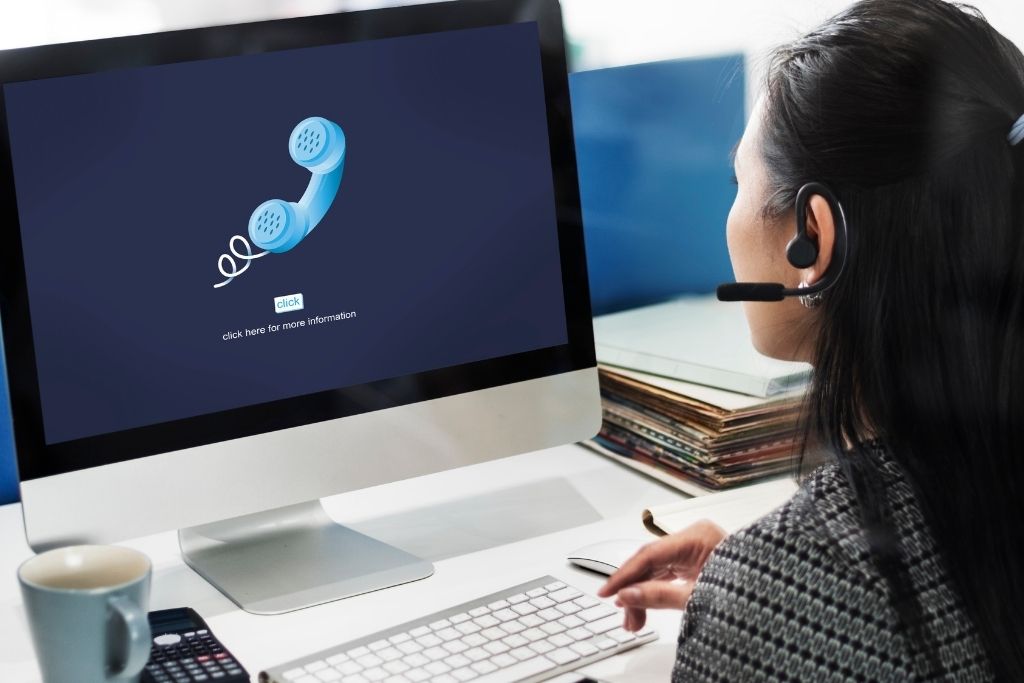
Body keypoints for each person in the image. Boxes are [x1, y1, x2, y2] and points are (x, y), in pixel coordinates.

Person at [598, 0, 1024, 680]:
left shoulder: (771, 593)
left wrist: (772, 595)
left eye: (739, 181)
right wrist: (784, 580)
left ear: (813, 239)